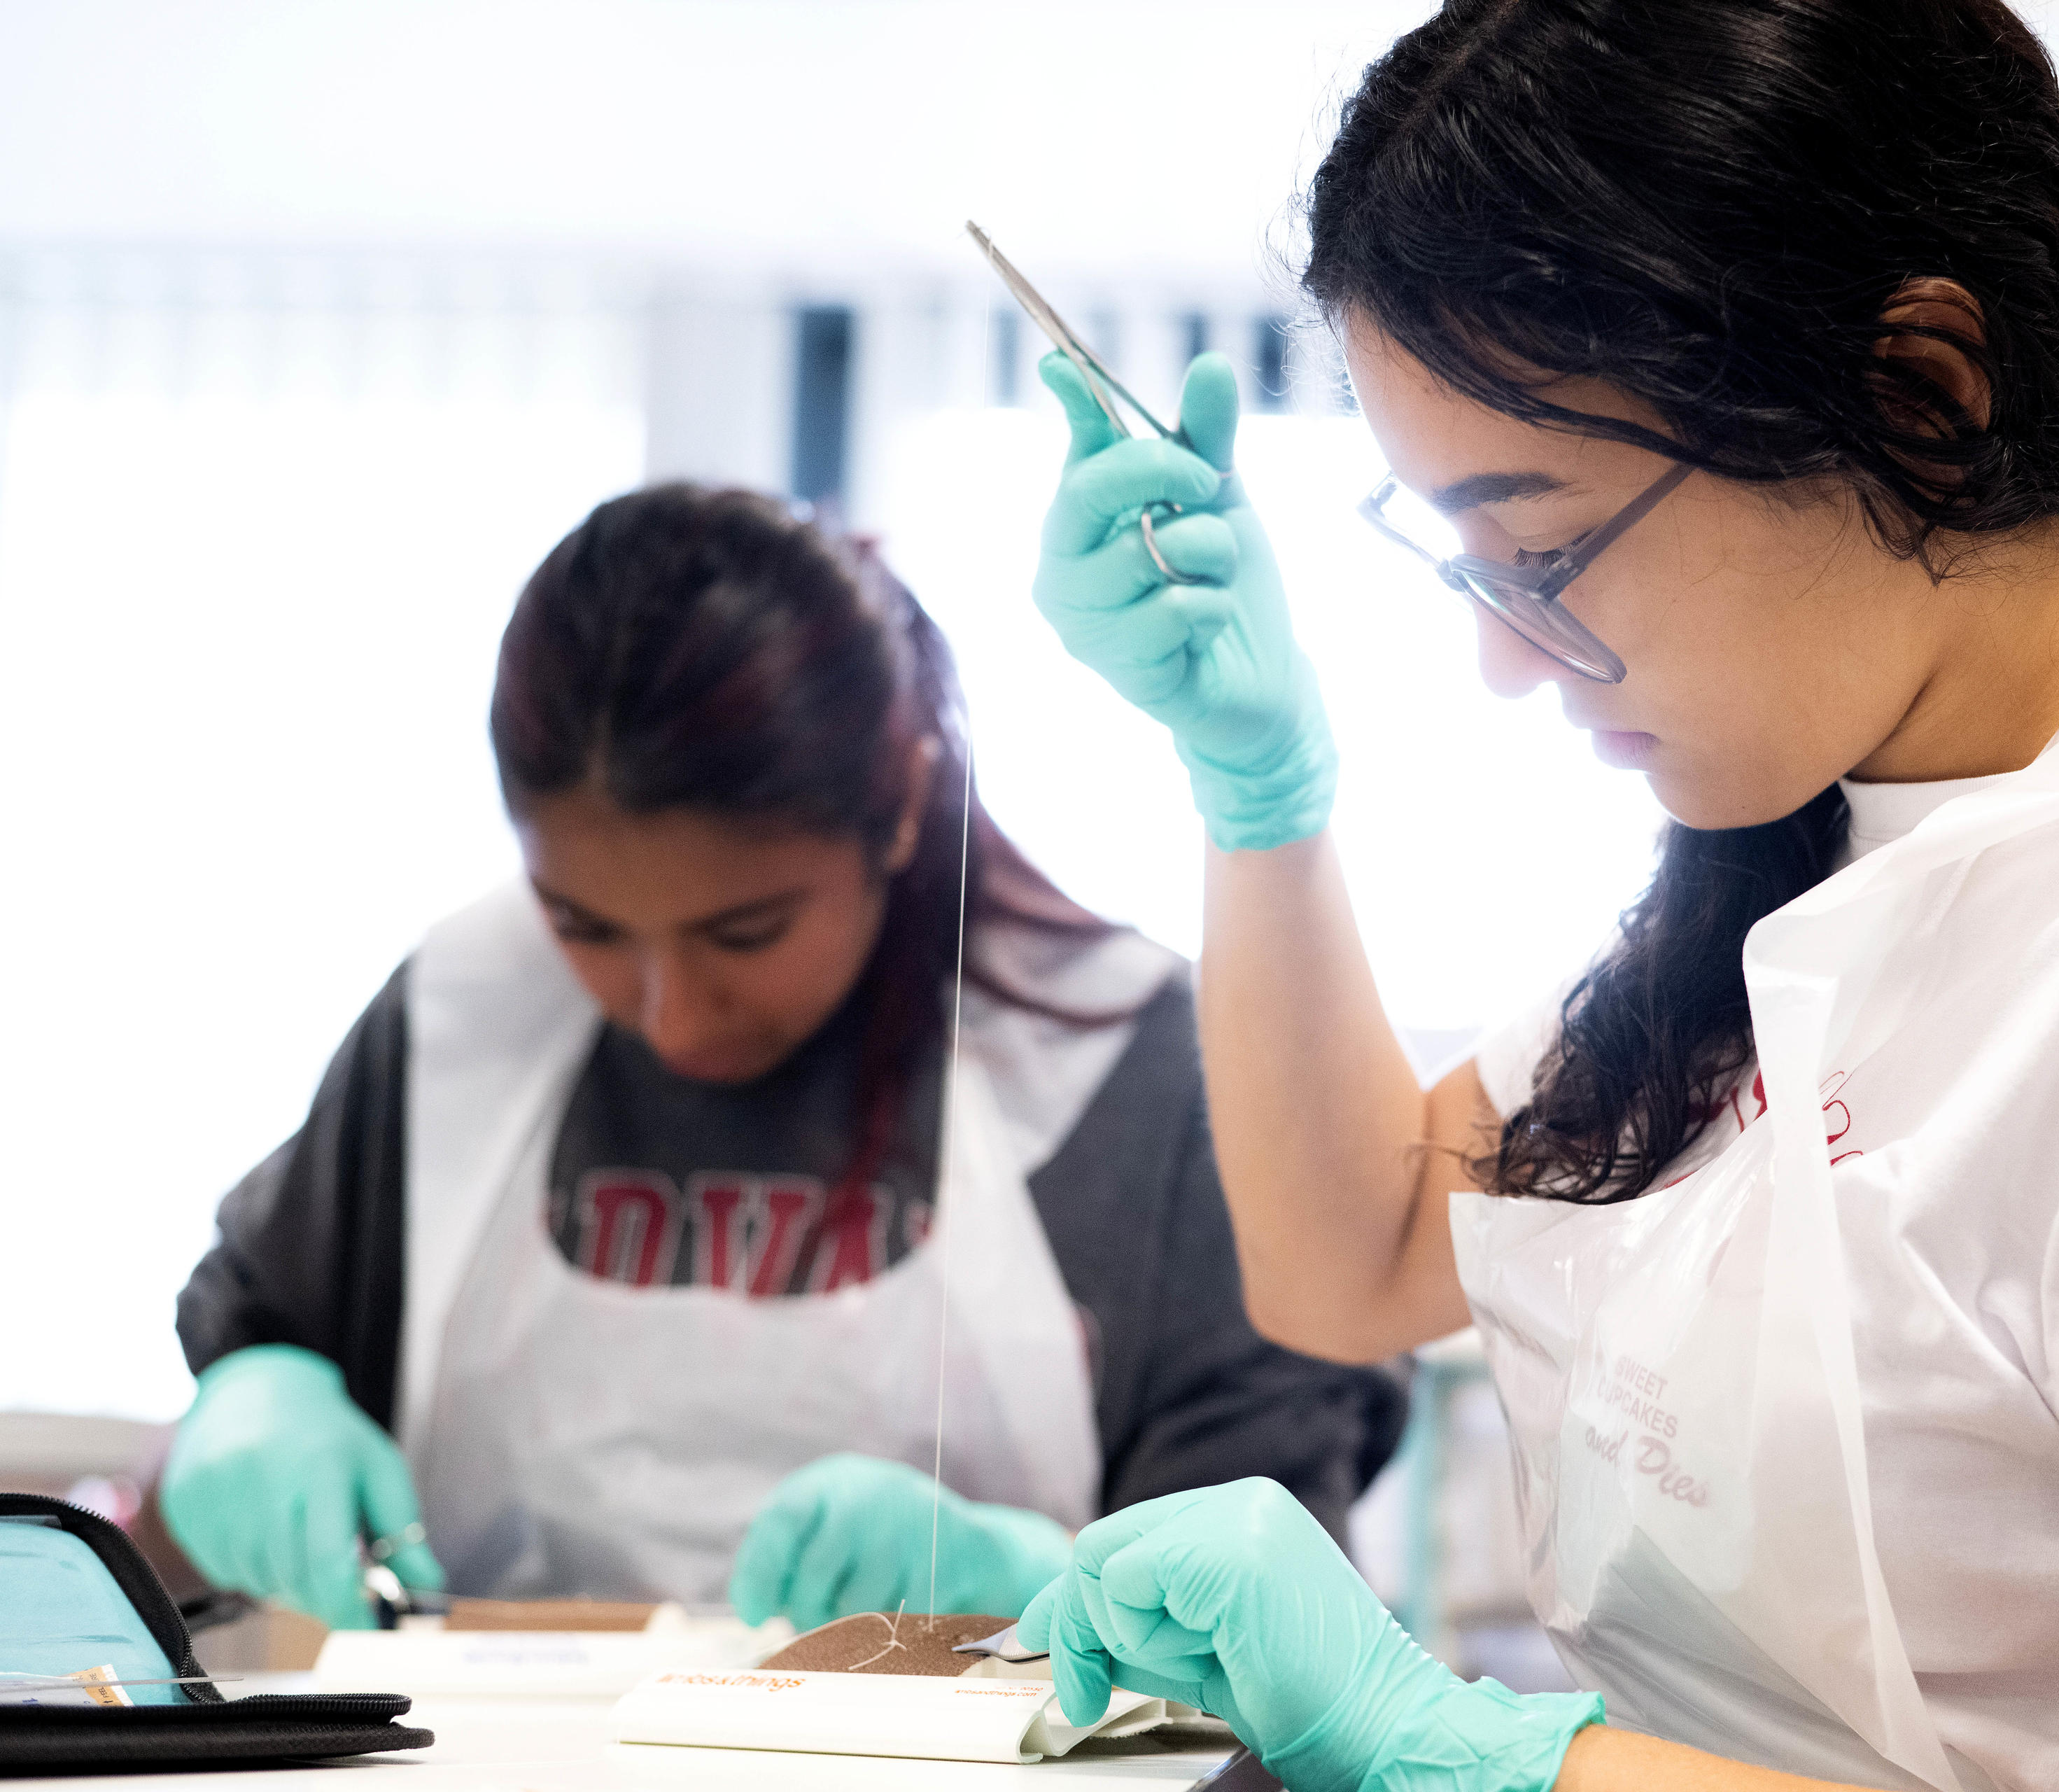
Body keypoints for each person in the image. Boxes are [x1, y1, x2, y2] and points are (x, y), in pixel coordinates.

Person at [1004, 4, 2059, 1791]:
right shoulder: (1827, 850)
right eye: (1462, 560)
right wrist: (1258, 794)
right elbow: (1359, 1251)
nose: (1502, 662)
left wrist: (1491, 1757)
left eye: (1540, 549)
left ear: (1918, 394)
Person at [161, 484, 1405, 1634]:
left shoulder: (1135, 1071)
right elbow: (268, 1318)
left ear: (902, 805)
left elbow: (1284, 1598)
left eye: (746, 932)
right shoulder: (462, 1015)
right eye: (586, 926)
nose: (676, 1017)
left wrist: (1041, 1588)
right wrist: (257, 1393)